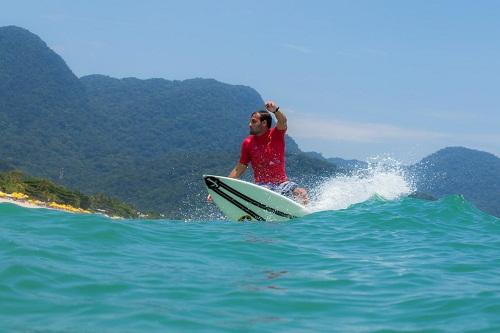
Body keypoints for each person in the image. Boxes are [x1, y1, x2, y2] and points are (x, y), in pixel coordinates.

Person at [209, 100, 309, 204]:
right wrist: (220, 188)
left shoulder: (276, 135)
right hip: (262, 186)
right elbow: (239, 169)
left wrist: (275, 110)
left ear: (264, 123)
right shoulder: (248, 143)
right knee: (263, 193)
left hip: (282, 183)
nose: (249, 124)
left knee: (301, 192)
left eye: (253, 121)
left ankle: (304, 216)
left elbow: (283, 121)